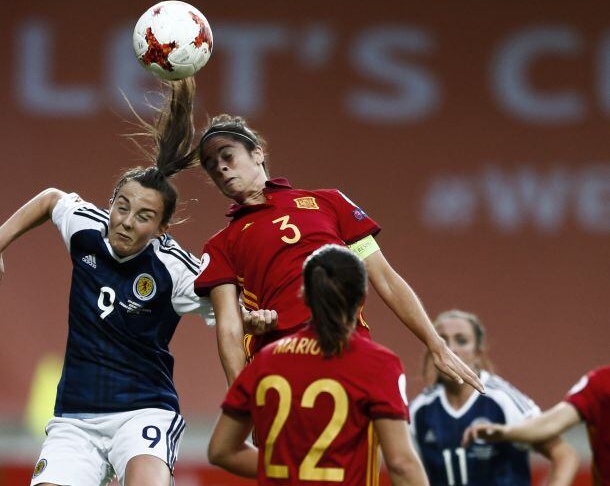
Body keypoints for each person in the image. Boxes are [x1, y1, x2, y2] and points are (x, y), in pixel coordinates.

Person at [0, 78, 213, 486]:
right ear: (111, 202)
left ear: (161, 228)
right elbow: (51, 199)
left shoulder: (173, 267)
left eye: (143, 217)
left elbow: (225, 301)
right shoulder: (87, 228)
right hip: (76, 419)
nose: (125, 222)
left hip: (143, 412)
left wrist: (252, 315)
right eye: (122, 207)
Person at [193, 114, 483, 393]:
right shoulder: (220, 245)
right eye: (211, 165)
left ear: (257, 153)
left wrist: (436, 344)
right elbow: (229, 326)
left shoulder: (328, 202)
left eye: (227, 156)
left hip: (349, 350)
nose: (220, 168)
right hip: (281, 364)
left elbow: (385, 278)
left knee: (374, 444)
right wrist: (241, 398)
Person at [207, 244, 429, 485]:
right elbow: (401, 463)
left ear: (303, 295)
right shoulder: (379, 364)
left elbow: (221, 450)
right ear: (363, 295)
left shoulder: (266, 360)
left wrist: (288, 465)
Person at [410, 310, 578, 486]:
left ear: (478, 352)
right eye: (442, 341)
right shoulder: (419, 410)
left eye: (461, 340)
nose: (451, 349)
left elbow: (565, 455)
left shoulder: (502, 400)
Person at [464, 364, 610, 486]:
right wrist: (505, 432)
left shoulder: (498, 396)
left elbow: (565, 454)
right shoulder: (601, 383)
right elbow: (552, 423)